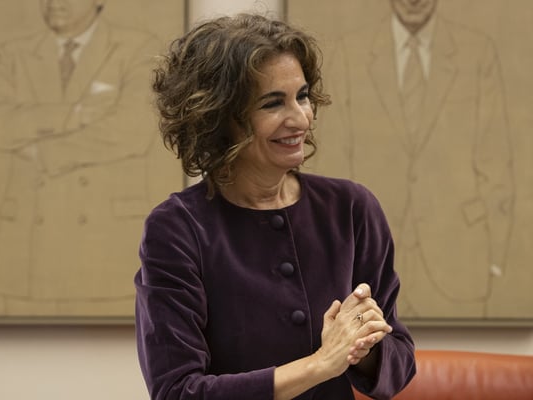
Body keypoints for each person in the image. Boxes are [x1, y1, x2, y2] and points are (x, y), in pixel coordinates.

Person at [134, 13, 415, 400]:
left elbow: (399, 363)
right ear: (219, 117)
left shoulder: (352, 208)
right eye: (273, 103)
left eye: (303, 96)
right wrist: (320, 364)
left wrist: (362, 348)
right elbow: (177, 392)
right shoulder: (177, 228)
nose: (300, 118)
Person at [312, 0, 514, 318]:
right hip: (365, 266)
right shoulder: (350, 53)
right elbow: (333, 159)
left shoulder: (477, 51)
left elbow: (496, 161)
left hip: (460, 256)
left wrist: (496, 260)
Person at [0, 0, 175, 312]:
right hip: (28, 242)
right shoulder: (16, 53)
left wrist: (43, 152)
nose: (55, 3)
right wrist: (72, 114)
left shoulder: (137, 48)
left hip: (103, 236)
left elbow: (131, 130)